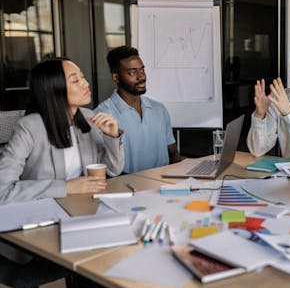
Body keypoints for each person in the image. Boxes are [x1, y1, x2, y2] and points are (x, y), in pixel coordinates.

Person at [0, 58, 124, 204]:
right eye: (75, 81)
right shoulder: (29, 127)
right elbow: (3, 191)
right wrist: (66, 188)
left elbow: (112, 170)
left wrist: (112, 137)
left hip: (84, 203)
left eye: (82, 77)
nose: (86, 84)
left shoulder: (88, 116)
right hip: (44, 210)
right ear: (53, 89)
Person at [95, 46, 181, 173]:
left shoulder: (159, 109)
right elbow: (103, 167)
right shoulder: (101, 115)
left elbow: (173, 154)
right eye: (132, 72)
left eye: (142, 70)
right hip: (127, 189)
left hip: (164, 186)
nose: (141, 77)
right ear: (116, 77)